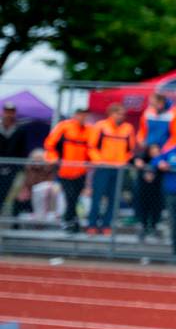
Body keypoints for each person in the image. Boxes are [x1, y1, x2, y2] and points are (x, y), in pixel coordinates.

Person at [43, 106, 95, 232]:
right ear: (75, 115)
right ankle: (70, 222)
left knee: (75, 197)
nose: (83, 117)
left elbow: (92, 149)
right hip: (64, 170)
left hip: (81, 171)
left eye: (85, 115)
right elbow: (50, 144)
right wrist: (54, 159)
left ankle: (72, 222)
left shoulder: (89, 129)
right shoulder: (64, 126)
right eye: (80, 114)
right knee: (69, 196)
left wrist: (93, 162)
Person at [86, 103, 135, 234]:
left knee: (114, 198)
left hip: (118, 169)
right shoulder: (100, 126)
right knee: (97, 197)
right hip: (103, 168)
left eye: (122, 114)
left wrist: (123, 161)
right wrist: (99, 161)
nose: (121, 116)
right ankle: (92, 225)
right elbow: (91, 146)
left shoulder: (128, 128)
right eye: (118, 113)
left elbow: (130, 150)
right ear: (111, 113)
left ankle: (106, 225)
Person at [0, 101, 29, 215]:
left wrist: (21, 167)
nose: (9, 114)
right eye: (7, 111)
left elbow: (23, 150)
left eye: (11, 112)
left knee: (5, 191)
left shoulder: (20, 130)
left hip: (12, 167)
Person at [135, 143, 164, 241]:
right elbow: (134, 160)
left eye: (156, 151)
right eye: (153, 151)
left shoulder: (161, 160)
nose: (154, 153)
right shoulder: (143, 159)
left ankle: (154, 227)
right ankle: (144, 228)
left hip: (156, 190)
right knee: (144, 209)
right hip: (144, 190)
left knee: (155, 210)